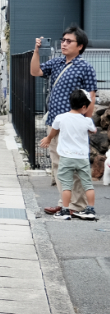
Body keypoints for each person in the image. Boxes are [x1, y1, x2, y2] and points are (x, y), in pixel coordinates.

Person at [32, 28, 99, 216]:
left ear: (80, 46)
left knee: (75, 165)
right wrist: (36, 51)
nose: (64, 43)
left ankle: (76, 206)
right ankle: (65, 204)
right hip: (55, 121)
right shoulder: (57, 62)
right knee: (58, 164)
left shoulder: (85, 67)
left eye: (69, 41)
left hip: (74, 124)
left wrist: (86, 122)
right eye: (63, 40)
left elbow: (91, 96)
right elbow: (35, 71)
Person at [40, 89, 98, 221]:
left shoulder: (61, 118)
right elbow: (93, 131)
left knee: (66, 185)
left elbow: (54, 130)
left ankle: (65, 211)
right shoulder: (87, 121)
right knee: (88, 185)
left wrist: (48, 139)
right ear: (84, 107)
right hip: (82, 158)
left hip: (66, 158)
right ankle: (90, 210)